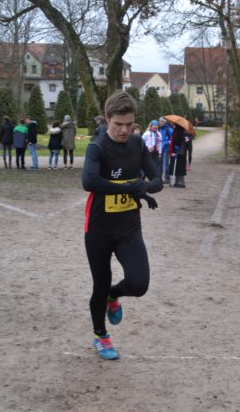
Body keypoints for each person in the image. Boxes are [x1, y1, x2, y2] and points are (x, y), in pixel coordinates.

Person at [82, 90, 163, 360]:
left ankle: (113, 295)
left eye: (129, 124)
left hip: (129, 229)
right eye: (118, 124)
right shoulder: (97, 147)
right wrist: (130, 188)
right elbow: (89, 182)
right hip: (98, 230)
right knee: (100, 283)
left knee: (139, 284)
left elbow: (157, 180)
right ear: (107, 118)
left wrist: (144, 187)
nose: (124, 130)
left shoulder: (137, 144)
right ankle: (101, 336)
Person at [169, 123, 187, 187]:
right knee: (177, 168)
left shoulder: (179, 132)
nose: (173, 126)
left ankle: (181, 183)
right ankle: (177, 182)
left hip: (179, 153)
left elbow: (178, 143)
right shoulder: (176, 131)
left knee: (179, 168)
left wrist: (176, 151)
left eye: (174, 125)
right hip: (177, 152)